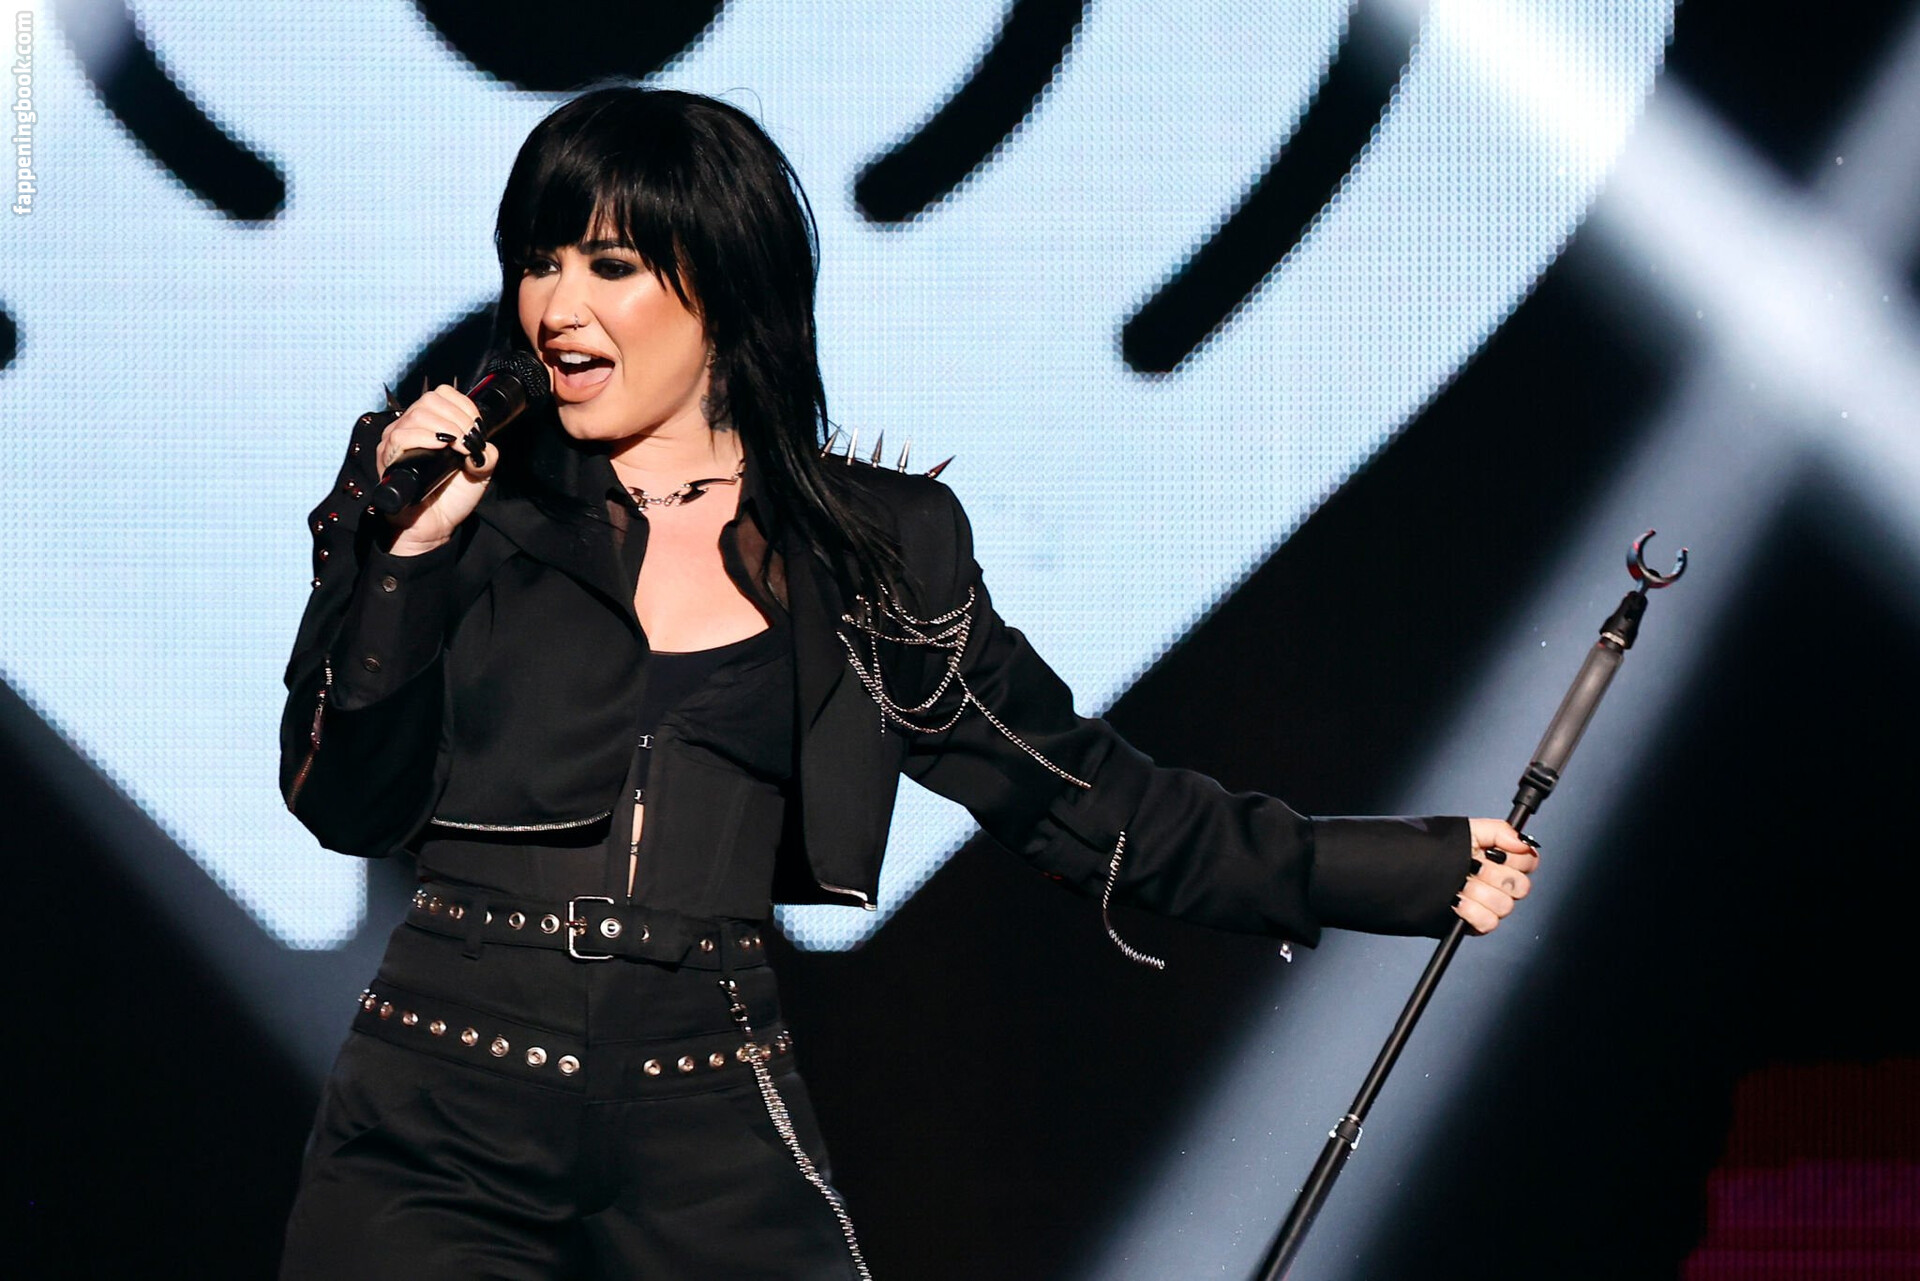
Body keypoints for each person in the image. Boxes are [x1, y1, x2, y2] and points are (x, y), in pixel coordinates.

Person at [276, 86, 1537, 1280]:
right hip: (443, 1096)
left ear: (724, 282)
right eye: (538, 262)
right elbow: (341, 797)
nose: (557, 306)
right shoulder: (459, 509)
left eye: (609, 266)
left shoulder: (866, 553)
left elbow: (1080, 795)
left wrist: (1386, 869)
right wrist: (405, 560)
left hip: (703, 1106)